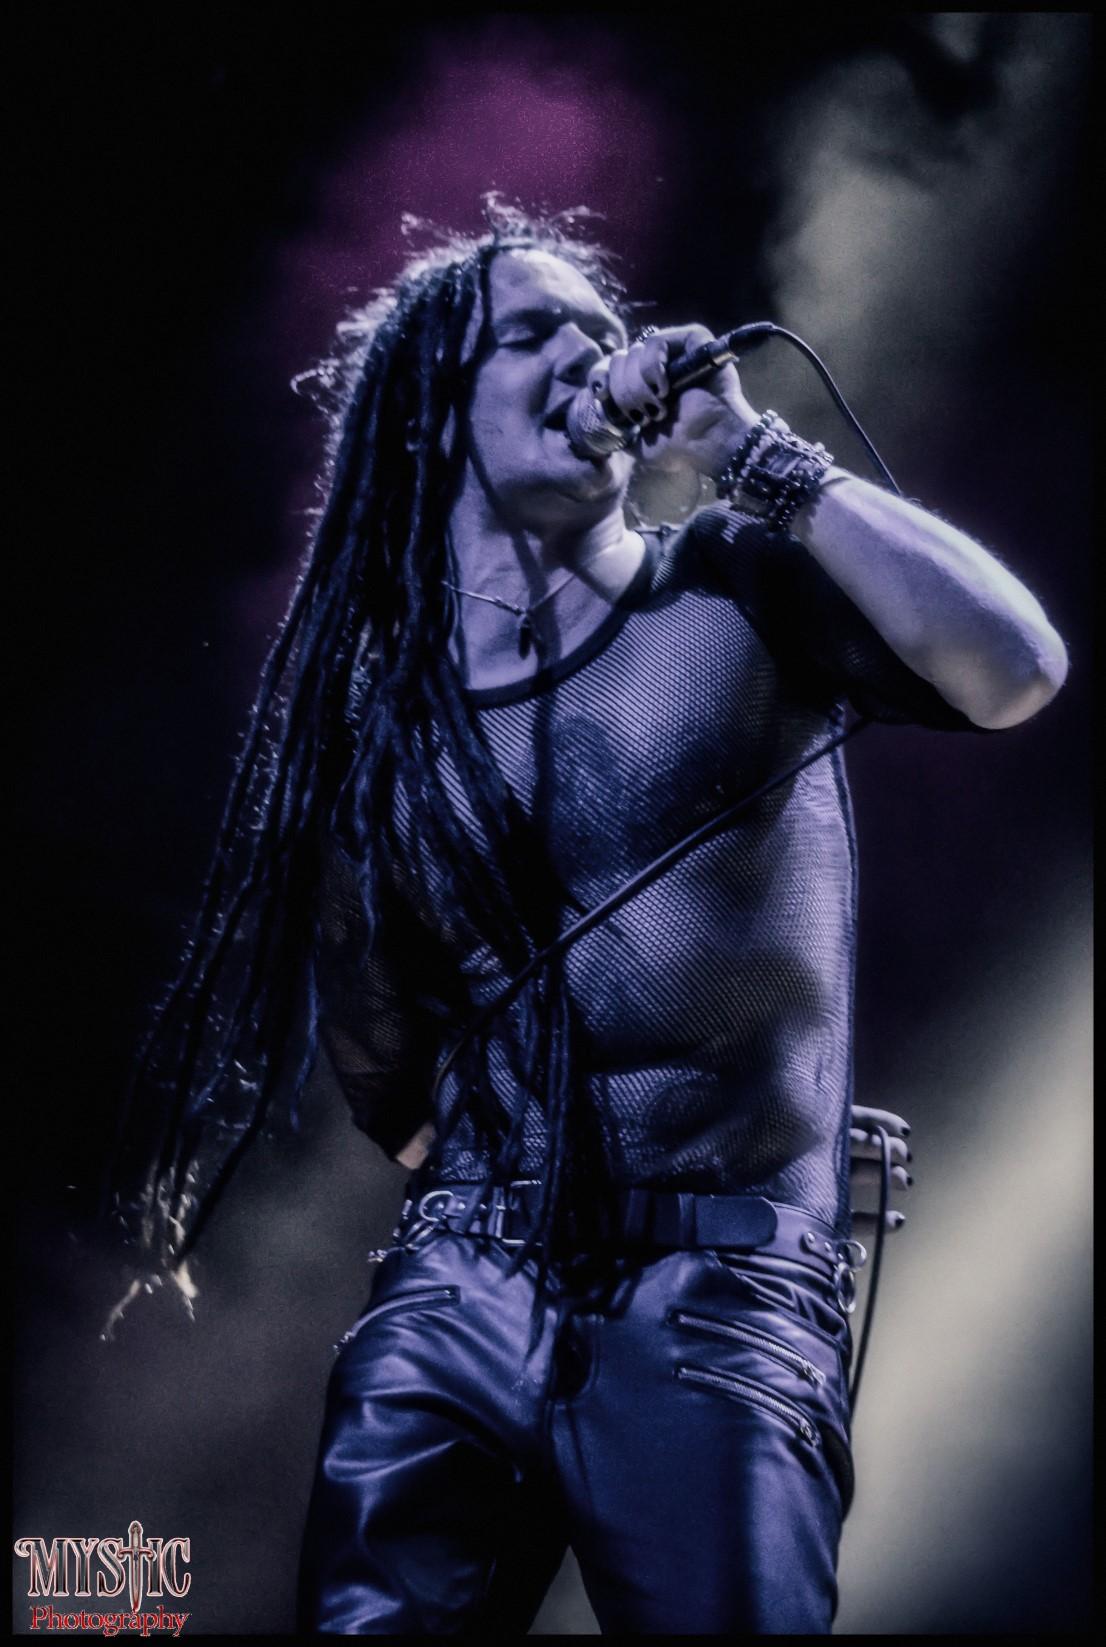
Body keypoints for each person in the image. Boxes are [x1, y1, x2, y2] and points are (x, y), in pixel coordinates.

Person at [121, 206, 1067, 1634]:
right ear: (433, 415)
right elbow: (378, 1050)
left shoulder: (735, 585)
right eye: (534, 334)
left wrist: (758, 456)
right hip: (460, 1284)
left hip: (723, 1291)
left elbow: (1015, 667)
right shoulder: (383, 725)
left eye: (600, 332)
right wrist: (530, 1184)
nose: (589, 356)